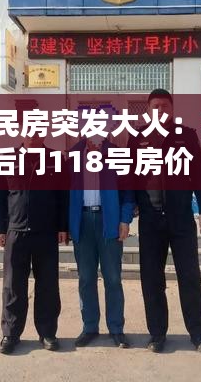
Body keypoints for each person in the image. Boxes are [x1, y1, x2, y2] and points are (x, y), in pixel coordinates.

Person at [127, 89, 201, 355]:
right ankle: (157, 334)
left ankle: (199, 335)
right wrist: (130, 209)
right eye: (155, 106)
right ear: (148, 110)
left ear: (172, 109)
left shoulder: (186, 136)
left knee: (190, 277)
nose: (160, 111)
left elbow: (200, 174)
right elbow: (129, 176)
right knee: (152, 279)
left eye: (165, 106)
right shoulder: (138, 138)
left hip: (181, 219)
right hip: (151, 221)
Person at [0, 129, 69, 355]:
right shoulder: (7, 158)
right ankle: (11, 334)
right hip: (16, 232)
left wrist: (63, 227)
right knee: (13, 285)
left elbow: (63, 196)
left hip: (46, 232)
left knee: (48, 285)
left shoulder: (56, 159)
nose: (34, 133)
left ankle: (47, 333)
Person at [68, 134, 135, 349]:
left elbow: (128, 191)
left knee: (113, 278)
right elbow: (64, 192)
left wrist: (125, 219)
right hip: (83, 221)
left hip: (109, 221)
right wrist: (66, 224)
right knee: (86, 278)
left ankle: (116, 328)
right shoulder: (73, 155)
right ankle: (90, 327)